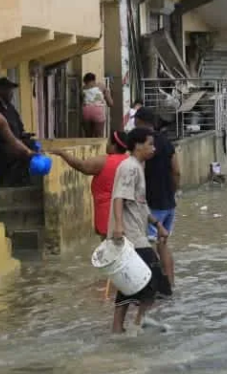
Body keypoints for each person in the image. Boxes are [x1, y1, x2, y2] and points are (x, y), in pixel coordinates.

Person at [108, 127, 172, 334]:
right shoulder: (129, 167)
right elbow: (119, 197)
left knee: (130, 281)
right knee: (154, 280)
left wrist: (157, 224)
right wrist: (119, 226)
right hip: (130, 237)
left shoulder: (138, 167)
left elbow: (140, 204)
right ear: (137, 145)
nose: (153, 148)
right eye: (150, 144)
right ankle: (137, 321)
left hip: (137, 233)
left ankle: (123, 327)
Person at [50, 130, 130, 238]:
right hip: (126, 212)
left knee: (110, 247)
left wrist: (62, 153)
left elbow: (82, 166)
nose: (106, 144)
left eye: (108, 142)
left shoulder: (105, 161)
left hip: (108, 213)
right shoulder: (129, 161)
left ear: (114, 145)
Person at [133, 107, 179, 285]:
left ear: (141, 122)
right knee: (163, 245)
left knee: (148, 246)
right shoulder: (167, 142)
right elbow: (176, 171)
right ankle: (170, 283)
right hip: (169, 203)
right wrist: (172, 193)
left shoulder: (142, 145)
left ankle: (153, 285)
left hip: (151, 205)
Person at [81, 73, 112, 137]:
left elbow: (81, 102)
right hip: (98, 111)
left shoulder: (82, 89)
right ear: (94, 80)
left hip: (86, 111)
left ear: (85, 81)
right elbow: (110, 103)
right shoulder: (101, 86)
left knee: (88, 136)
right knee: (99, 136)